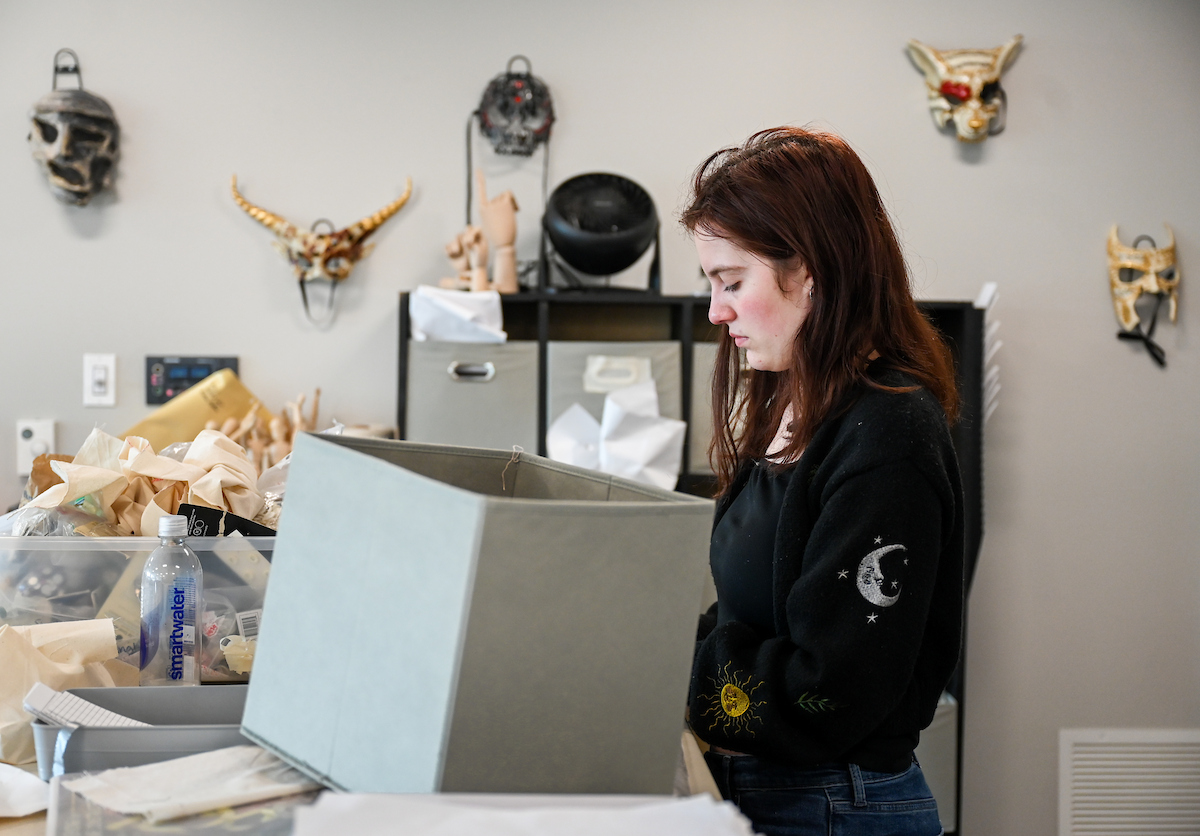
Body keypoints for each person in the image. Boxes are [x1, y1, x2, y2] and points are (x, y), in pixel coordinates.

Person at [683, 126, 965, 836]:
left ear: (809, 270)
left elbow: (831, 686)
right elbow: (750, 619)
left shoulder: (888, 433)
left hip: (832, 806)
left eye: (732, 282)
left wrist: (669, 666)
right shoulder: (789, 406)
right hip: (773, 791)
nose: (716, 310)